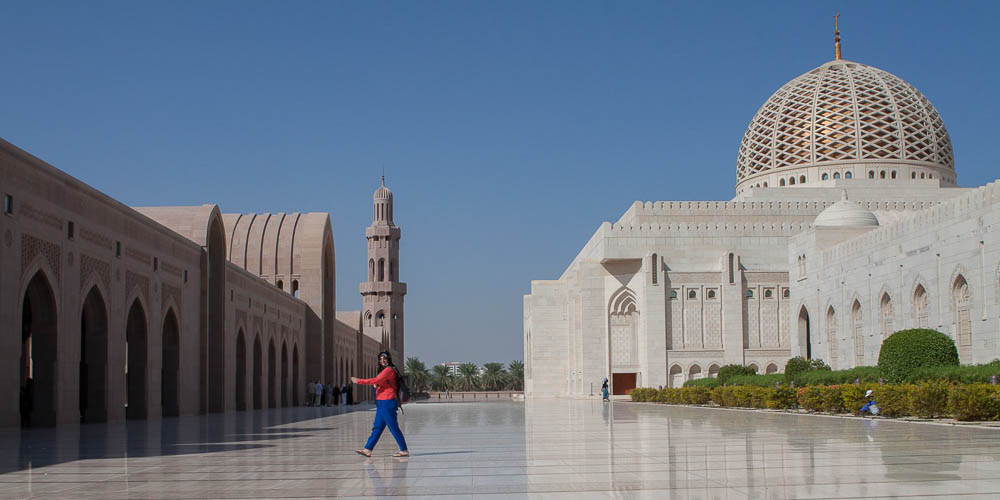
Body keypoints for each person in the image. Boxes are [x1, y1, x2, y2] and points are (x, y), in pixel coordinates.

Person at [352, 351, 408, 457]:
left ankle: (404, 449)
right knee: (377, 427)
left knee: (393, 427)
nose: (382, 360)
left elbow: (376, 380)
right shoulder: (386, 370)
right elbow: (379, 382)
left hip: (388, 402)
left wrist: (358, 381)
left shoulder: (389, 370)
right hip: (382, 402)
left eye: (385, 358)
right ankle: (368, 449)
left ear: (389, 359)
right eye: (381, 358)